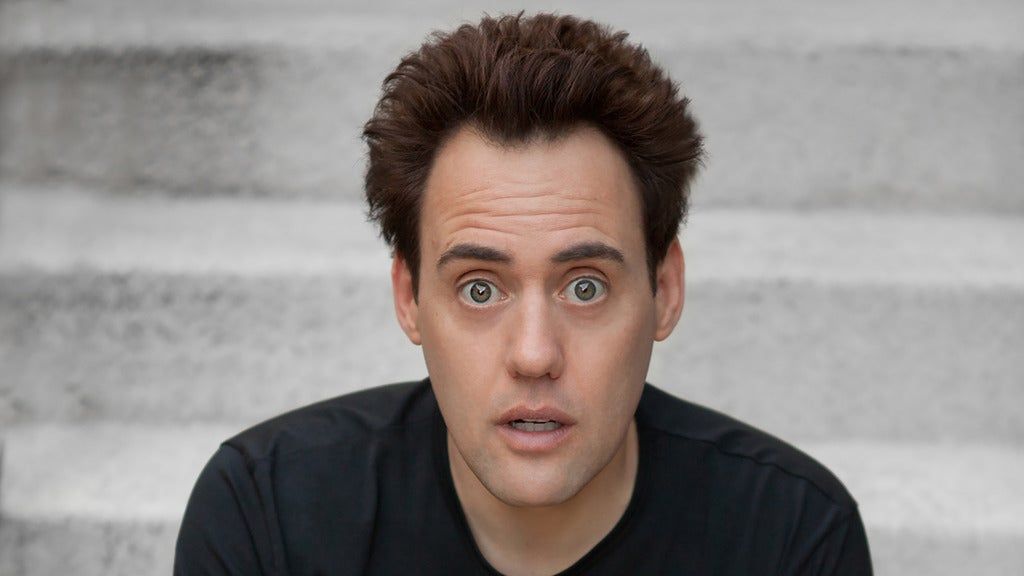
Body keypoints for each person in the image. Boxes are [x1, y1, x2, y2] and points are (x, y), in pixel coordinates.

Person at [174, 11, 872, 575]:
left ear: (664, 290)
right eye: (480, 289)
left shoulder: (790, 534)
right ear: (409, 298)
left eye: (585, 286)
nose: (534, 356)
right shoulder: (266, 513)